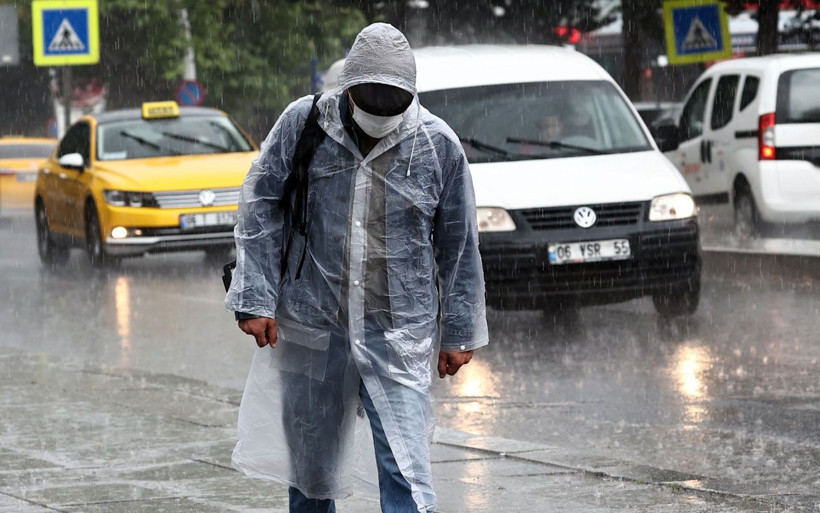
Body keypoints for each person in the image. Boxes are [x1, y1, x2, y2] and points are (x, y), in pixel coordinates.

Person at [225, 23, 489, 513]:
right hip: (313, 329)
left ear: (411, 94)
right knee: (311, 471)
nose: (380, 110)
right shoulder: (304, 125)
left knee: (406, 468)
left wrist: (458, 330)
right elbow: (260, 206)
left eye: (393, 100)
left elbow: (457, 244)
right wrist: (254, 298)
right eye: (370, 97)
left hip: (397, 335)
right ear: (347, 89)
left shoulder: (437, 146)